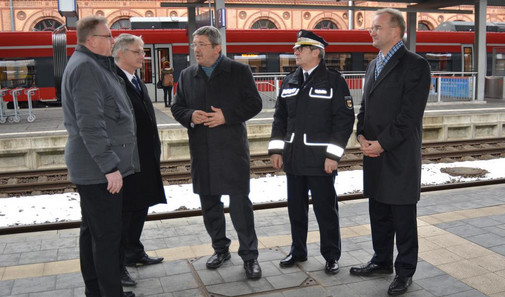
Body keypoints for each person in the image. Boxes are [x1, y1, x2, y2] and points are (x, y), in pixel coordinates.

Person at [348, 8, 431, 296]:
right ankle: (381, 260)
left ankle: (404, 271)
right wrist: (361, 135)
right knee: (379, 211)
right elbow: (364, 107)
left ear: (396, 32)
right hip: (373, 152)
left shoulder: (415, 65)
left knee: (403, 216)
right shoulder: (374, 65)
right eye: (372, 28)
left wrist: (381, 143)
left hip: (398, 155)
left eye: (377, 27)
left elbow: (409, 116)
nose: (371, 31)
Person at [171, 26, 263, 279]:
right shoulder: (188, 75)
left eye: (201, 44)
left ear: (217, 47)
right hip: (202, 151)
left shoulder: (239, 71)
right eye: (194, 44)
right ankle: (220, 249)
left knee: (240, 206)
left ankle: (250, 256)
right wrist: (190, 115)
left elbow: (255, 103)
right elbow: (177, 107)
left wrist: (226, 116)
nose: (196, 49)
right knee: (210, 205)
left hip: (232, 151)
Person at [61, 16, 138, 297]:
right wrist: (110, 167)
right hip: (97, 170)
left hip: (93, 168)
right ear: (92, 40)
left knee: (92, 232)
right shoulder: (86, 69)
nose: (113, 40)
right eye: (109, 36)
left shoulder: (91, 64)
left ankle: (96, 290)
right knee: (106, 237)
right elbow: (90, 123)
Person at [268, 30, 355, 275]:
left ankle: (331, 255)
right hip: (294, 160)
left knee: (325, 211)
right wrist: (276, 150)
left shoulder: (333, 81)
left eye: (301, 48)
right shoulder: (289, 80)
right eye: (295, 48)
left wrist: (333, 156)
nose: (295, 52)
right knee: (296, 210)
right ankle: (298, 251)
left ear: (316, 52)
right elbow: (280, 118)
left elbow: (344, 120)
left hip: (320, 162)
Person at [112, 33, 167, 287]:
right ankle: (118, 263)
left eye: (143, 51)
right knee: (126, 211)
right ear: (121, 53)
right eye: (138, 52)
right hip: (127, 159)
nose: (142, 56)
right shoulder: (114, 81)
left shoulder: (136, 80)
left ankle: (134, 251)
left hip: (144, 156)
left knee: (141, 205)